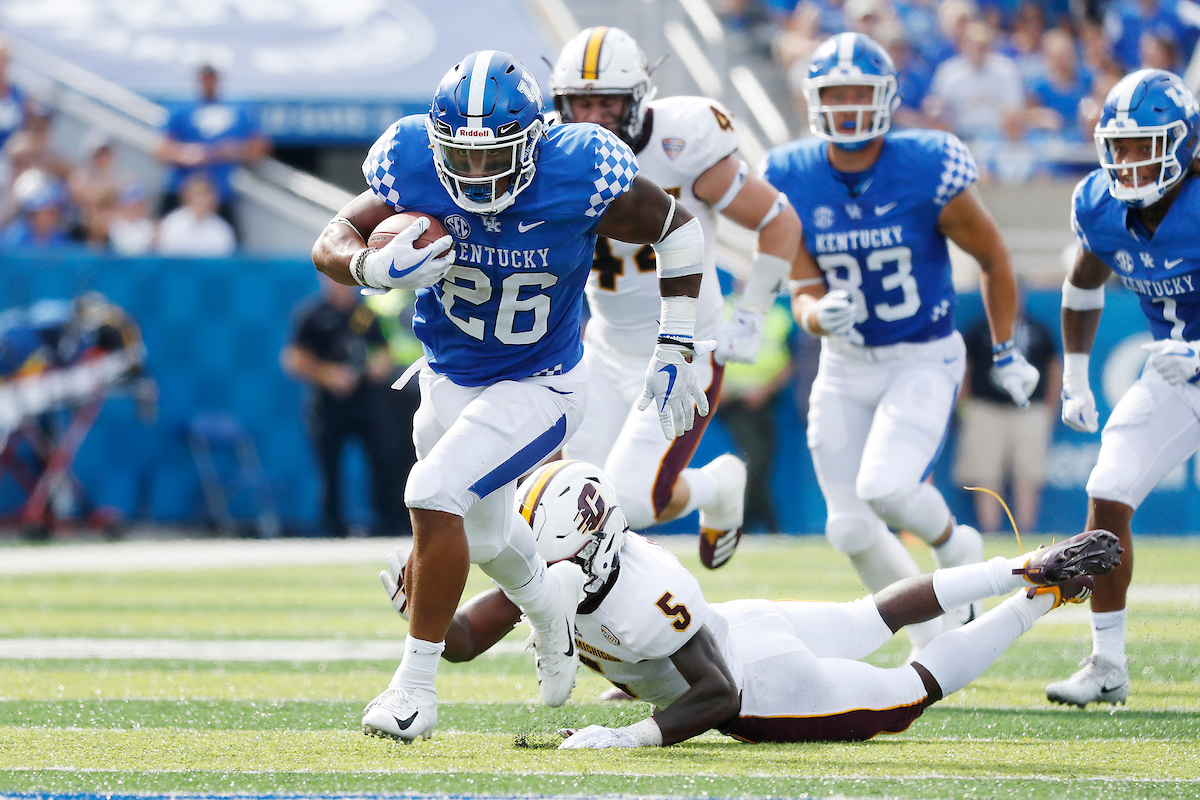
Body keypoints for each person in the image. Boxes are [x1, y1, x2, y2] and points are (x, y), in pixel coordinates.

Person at [311, 50, 713, 742]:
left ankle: (413, 691)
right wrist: (369, 266)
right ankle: (552, 614)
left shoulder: (579, 165)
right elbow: (332, 239)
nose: (474, 174)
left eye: (492, 156)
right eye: (458, 159)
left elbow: (678, 229)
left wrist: (675, 343)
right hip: (447, 375)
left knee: (432, 491)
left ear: (532, 139)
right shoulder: (409, 156)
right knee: (494, 539)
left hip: (541, 382)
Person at [374, 460, 1122, 747]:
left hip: (762, 687)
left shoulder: (640, 593)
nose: (533, 567)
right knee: (872, 616)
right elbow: (468, 637)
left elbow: (719, 694)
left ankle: (1039, 590)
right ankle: (1022, 567)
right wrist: (423, 604)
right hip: (750, 622)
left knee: (907, 693)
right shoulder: (575, 562)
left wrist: (628, 738)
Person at [763, 32, 1040, 653]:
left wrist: (1004, 350)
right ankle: (927, 632)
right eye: (835, 93)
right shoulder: (791, 173)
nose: (848, 106)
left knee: (885, 486)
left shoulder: (925, 164)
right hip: (844, 362)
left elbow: (993, 257)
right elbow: (803, 284)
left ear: (886, 97)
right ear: (813, 99)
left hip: (921, 353)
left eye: (860, 92)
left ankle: (956, 546)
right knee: (849, 528)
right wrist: (815, 316)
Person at [549, 26, 802, 569]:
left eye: (607, 103)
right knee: (571, 505)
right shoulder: (551, 154)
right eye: (581, 103)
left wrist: (754, 311)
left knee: (634, 501)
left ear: (638, 100)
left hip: (683, 349)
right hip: (602, 348)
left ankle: (716, 485)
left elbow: (779, 222)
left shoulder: (681, 144)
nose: (593, 117)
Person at [1048, 68, 1200, 707]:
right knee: (1107, 490)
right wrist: (1076, 374)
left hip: (1186, 359)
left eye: (1147, 145)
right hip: (1175, 375)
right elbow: (1083, 283)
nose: (1131, 161)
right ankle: (1108, 663)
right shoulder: (1099, 203)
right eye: (1122, 146)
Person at [282, 276, 408, 538]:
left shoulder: (364, 314)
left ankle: (386, 524)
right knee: (329, 469)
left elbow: (384, 352)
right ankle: (333, 528)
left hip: (366, 401)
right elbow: (293, 359)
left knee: (383, 461)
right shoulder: (313, 315)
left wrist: (377, 368)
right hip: (329, 405)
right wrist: (328, 375)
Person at [954, 298, 1060, 534]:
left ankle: (1025, 532)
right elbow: (966, 367)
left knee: (1028, 474)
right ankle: (990, 532)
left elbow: (1053, 367)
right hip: (986, 408)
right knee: (985, 473)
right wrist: (964, 406)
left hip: (1029, 410)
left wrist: (1050, 409)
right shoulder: (979, 329)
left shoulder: (1037, 329)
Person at [155, 64, 270, 235]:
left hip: (220, 194)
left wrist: (232, 151)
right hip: (180, 191)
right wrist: (186, 154)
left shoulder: (238, 110)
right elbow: (160, 149)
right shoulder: (181, 109)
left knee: (228, 243)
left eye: (212, 78)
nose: (208, 82)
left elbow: (260, 148)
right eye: (204, 78)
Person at [156, 173, 236, 256]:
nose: (202, 200)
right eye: (197, 194)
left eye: (205, 195)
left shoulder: (222, 229)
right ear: (187, 197)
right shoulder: (170, 224)